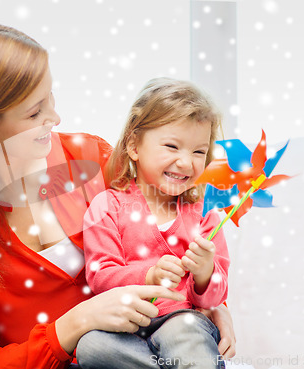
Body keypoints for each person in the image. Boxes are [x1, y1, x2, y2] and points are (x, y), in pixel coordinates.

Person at [0, 23, 236, 369]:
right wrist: (75, 323)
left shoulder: (91, 158)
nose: (55, 117)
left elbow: (167, 230)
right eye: (35, 112)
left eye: (50, 98)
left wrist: (204, 304)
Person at [77, 78, 229, 369]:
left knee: (184, 332)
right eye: (172, 146)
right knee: (91, 345)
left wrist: (205, 271)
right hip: (123, 324)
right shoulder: (107, 206)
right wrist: (149, 274)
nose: (186, 162)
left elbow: (215, 296)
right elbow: (99, 277)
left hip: (180, 319)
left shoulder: (205, 214)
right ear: (134, 145)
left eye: (199, 151)